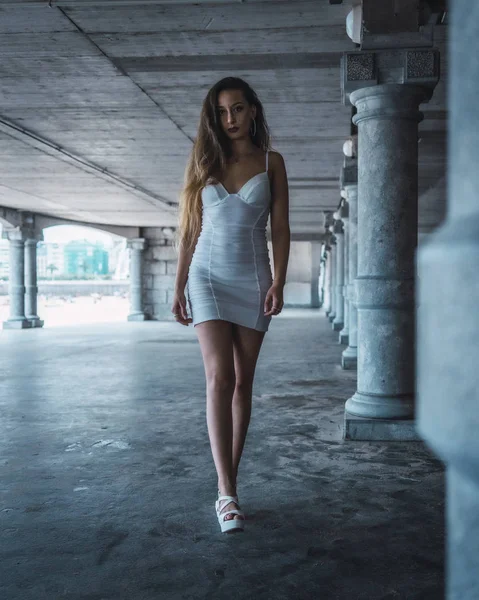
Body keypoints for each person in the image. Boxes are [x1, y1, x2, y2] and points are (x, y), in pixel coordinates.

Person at [171, 77, 290, 533]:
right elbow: (189, 230)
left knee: (244, 385)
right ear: (213, 117)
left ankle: (230, 483)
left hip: (254, 277)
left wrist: (279, 281)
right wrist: (178, 285)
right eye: (222, 112)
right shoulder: (203, 162)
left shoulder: (271, 162)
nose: (230, 119)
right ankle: (226, 492)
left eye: (238, 109)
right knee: (220, 377)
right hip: (207, 276)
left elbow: (279, 229)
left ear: (253, 111)